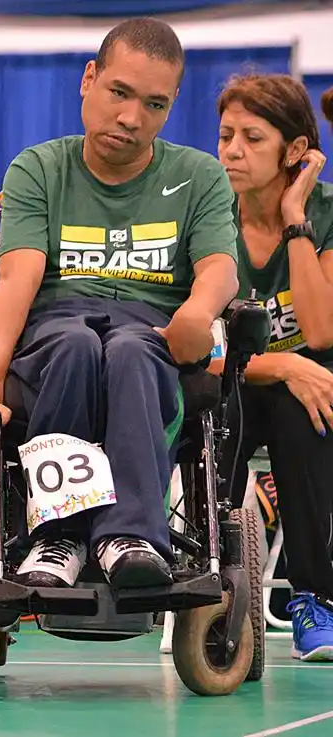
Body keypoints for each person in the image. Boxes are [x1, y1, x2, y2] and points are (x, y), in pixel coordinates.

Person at [0, 17, 239, 590]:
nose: (132, 118)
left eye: (154, 105)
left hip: (151, 336)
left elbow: (219, 268)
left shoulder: (199, 177)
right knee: (76, 344)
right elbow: (16, 280)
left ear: (171, 106)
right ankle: (57, 535)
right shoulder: (38, 168)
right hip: (55, 332)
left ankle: (128, 536)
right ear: (89, 79)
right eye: (119, 92)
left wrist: (198, 312)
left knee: (131, 351)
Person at [215, 74, 333, 660]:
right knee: (221, 411)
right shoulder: (209, 213)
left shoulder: (329, 210)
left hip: (319, 389)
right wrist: (284, 367)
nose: (232, 151)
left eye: (251, 138)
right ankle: (211, 586)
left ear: (294, 152)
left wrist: (295, 219)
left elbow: (320, 332)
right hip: (242, 380)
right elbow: (208, 354)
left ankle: (315, 598)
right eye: (226, 136)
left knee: (301, 411)